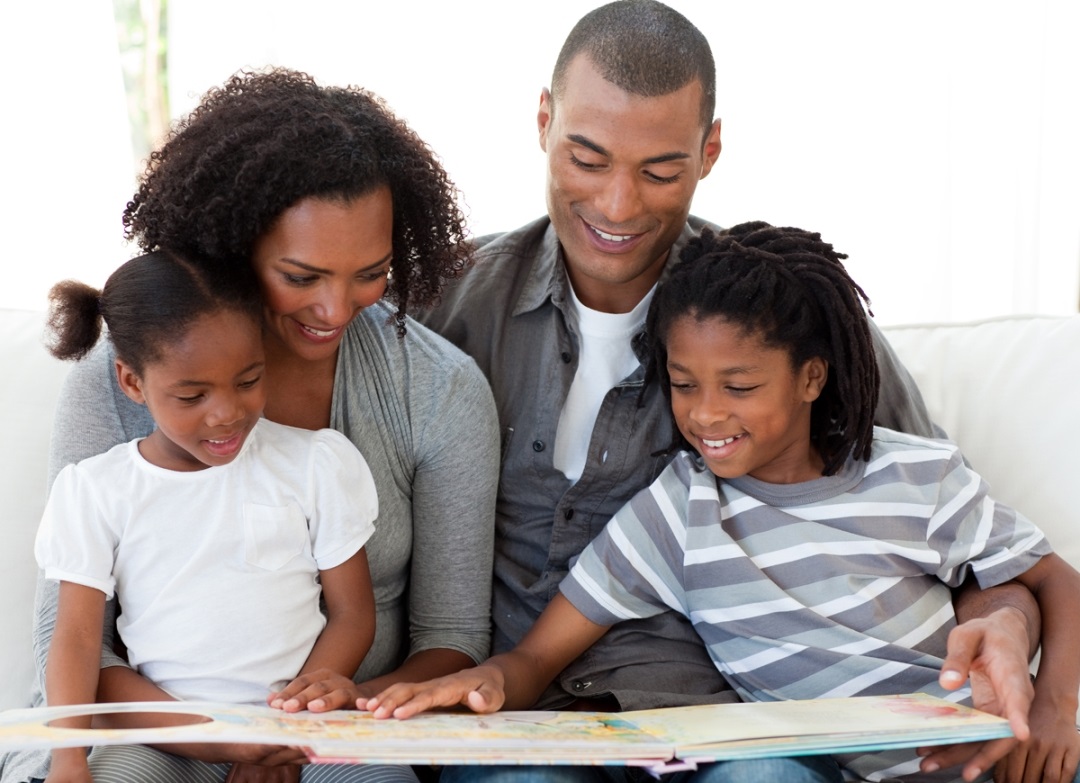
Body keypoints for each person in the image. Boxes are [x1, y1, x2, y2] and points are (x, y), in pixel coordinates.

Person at [406, 2, 1058, 781]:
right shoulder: (447, 304)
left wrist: (1011, 627)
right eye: (587, 158)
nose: (618, 205)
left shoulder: (777, 315)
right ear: (543, 122)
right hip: (521, 724)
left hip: (719, 731)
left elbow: (960, 546)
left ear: (709, 149)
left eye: (660, 169)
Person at [367, 222, 1080, 783]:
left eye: (739, 387)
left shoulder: (914, 473)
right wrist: (484, 682)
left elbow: (1055, 580)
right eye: (683, 384)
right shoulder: (678, 512)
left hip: (999, 743)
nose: (707, 414)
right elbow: (538, 655)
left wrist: (1053, 711)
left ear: (810, 378)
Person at [0, 69, 499, 783]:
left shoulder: (437, 391)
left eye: (370, 272)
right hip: (141, 730)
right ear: (234, 246)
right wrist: (218, 738)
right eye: (301, 276)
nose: (335, 308)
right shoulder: (119, 381)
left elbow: (450, 637)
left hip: (335, 730)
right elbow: (78, 639)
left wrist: (317, 715)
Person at [36, 250, 409, 783]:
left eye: (248, 379)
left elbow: (353, 614)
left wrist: (288, 726)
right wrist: (68, 759)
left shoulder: (314, 463)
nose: (227, 412)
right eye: (192, 395)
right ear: (132, 383)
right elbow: (74, 641)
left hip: (302, 736)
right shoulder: (96, 491)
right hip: (167, 741)